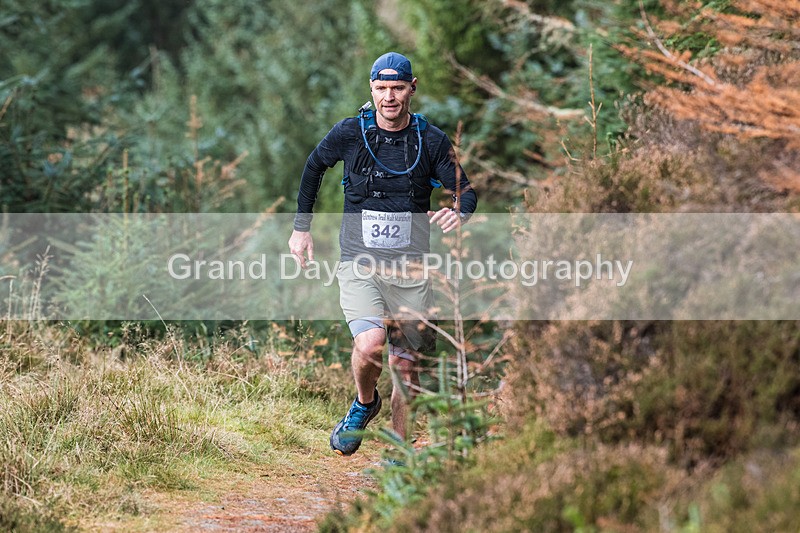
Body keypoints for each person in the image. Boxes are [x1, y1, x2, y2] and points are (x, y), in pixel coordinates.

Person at [288, 51, 477, 456]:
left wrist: (459, 211)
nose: (388, 97)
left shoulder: (431, 139)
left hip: (412, 270)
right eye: (380, 89)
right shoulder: (351, 133)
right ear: (370, 89)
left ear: (412, 88)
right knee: (372, 345)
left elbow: (466, 190)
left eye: (396, 88)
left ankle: (400, 455)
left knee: (407, 369)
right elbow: (313, 167)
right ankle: (364, 403)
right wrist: (301, 230)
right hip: (359, 263)